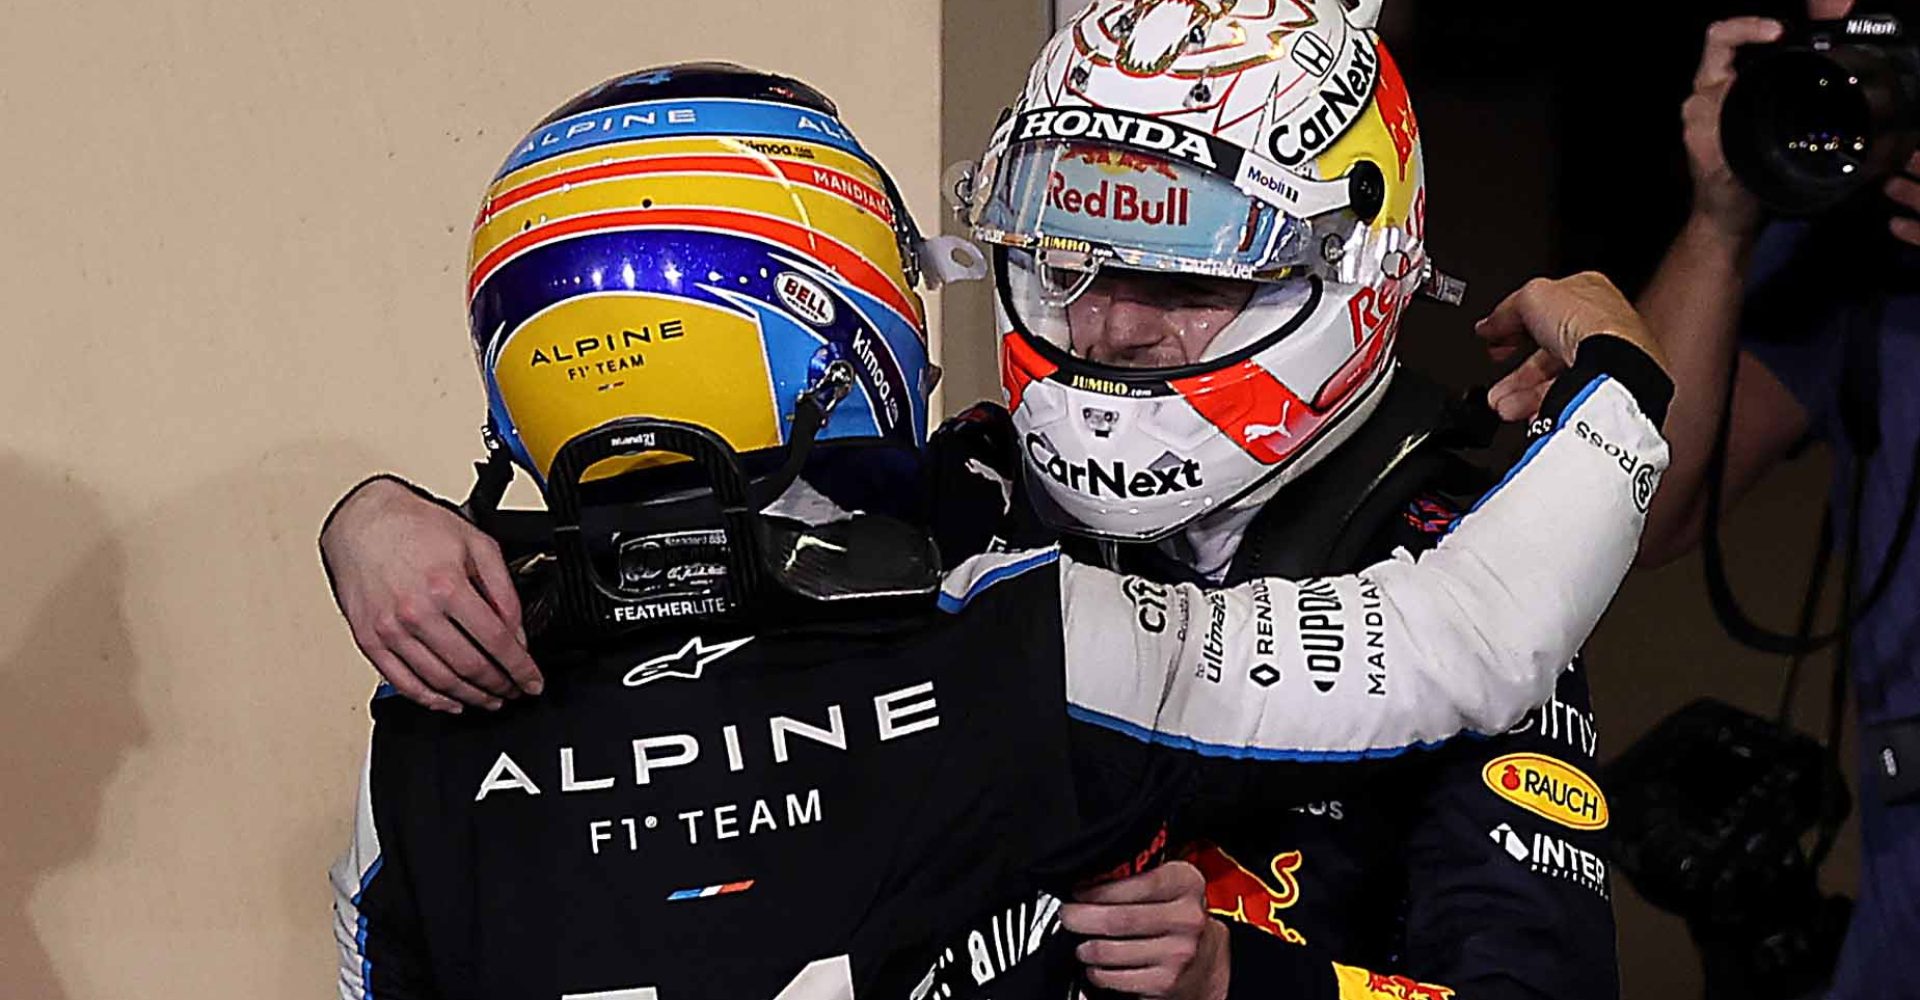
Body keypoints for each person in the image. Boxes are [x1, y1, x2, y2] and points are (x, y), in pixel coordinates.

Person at [326, 24, 1671, 1000]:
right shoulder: (955, 489)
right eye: (1073, 258)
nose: (1110, 325)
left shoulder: (1455, 525)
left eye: (1186, 278)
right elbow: (666, 524)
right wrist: (381, 519)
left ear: (1358, 271)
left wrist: (1240, 986)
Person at [1625, 2, 1920, 997]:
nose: (1859, 75)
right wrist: (1722, 218)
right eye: (1836, 41)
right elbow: (1644, 505)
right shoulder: (1865, 239)